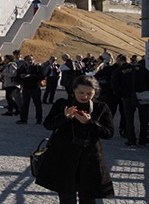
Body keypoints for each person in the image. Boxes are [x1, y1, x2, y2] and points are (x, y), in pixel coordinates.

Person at [34, 74, 114, 203]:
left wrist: (90, 123)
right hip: (64, 155)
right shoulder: (63, 104)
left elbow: (108, 133)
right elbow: (48, 125)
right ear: (73, 90)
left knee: (88, 197)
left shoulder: (101, 107)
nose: (84, 96)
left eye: (89, 93)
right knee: (66, 195)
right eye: (80, 92)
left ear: (95, 93)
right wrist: (64, 117)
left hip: (89, 157)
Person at [17, 54, 44, 124]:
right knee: (24, 104)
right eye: (28, 60)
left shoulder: (37, 67)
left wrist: (31, 76)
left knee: (37, 104)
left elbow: (42, 76)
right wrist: (21, 77)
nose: (30, 61)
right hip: (26, 88)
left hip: (35, 88)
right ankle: (23, 119)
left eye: (31, 59)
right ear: (25, 61)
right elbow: (17, 77)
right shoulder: (22, 68)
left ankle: (39, 119)